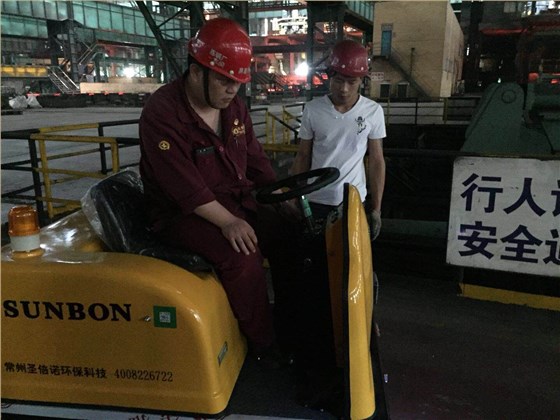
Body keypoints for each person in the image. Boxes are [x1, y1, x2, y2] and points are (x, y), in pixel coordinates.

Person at [138, 17, 278, 356]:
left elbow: (256, 162)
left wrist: (280, 198)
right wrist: (228, 222)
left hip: (235, 203)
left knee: (291, 231)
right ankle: (263, 343)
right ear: (196, 71)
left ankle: (294, 316)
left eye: (238, 82)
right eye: (225, 80)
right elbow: (184, 187)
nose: (233, 89)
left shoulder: (233, 108)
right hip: (181, 216)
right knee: (241, 258)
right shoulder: (163, 113)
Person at [291, 39, 387, 240]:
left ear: (362, 80)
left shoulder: (373, 112)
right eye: (338, 81)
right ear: (329, 77)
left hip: (353, 201)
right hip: (316, 200)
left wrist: (376, 209)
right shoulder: (313, 110)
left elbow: (377, 161)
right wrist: (297, 199)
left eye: (351, 82)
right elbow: (303, 155)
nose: (344, 89)